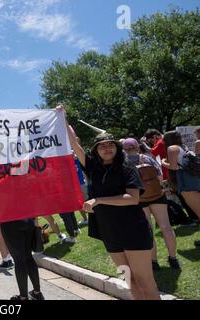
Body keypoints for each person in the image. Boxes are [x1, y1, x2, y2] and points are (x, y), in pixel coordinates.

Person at [60, 106, 160, 300]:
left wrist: (98, 200)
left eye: (111, 145)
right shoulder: (93, 168)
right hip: (110, 232)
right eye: (102, 146)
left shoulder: (127, 167)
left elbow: (133, 198)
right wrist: (62, 118)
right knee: (130, 280)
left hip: (133, 230)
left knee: (145, 282)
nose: (107, 148)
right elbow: (74, 144)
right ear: (96, 150)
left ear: (117, 148)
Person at [122, 138, 180, 270]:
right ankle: (173, 258)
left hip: (139, 199)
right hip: (157, 195)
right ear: (137, 147)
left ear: (124, 150)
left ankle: (154, 262)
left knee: (148, 230)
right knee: (166, 227)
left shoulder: (123, 164)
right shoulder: (148, 158)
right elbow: (159, 176)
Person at [161, 130, 200, 248]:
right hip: (193, 179)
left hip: (186, 181)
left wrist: (163, 162)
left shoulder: (172, 148)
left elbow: (173, 167)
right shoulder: (182, 146)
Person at [0, 218, 44, 300]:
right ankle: (37, 292)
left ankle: (23, 297)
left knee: (19, 260)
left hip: (10, 222)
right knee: (28, 256)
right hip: (27, 219)